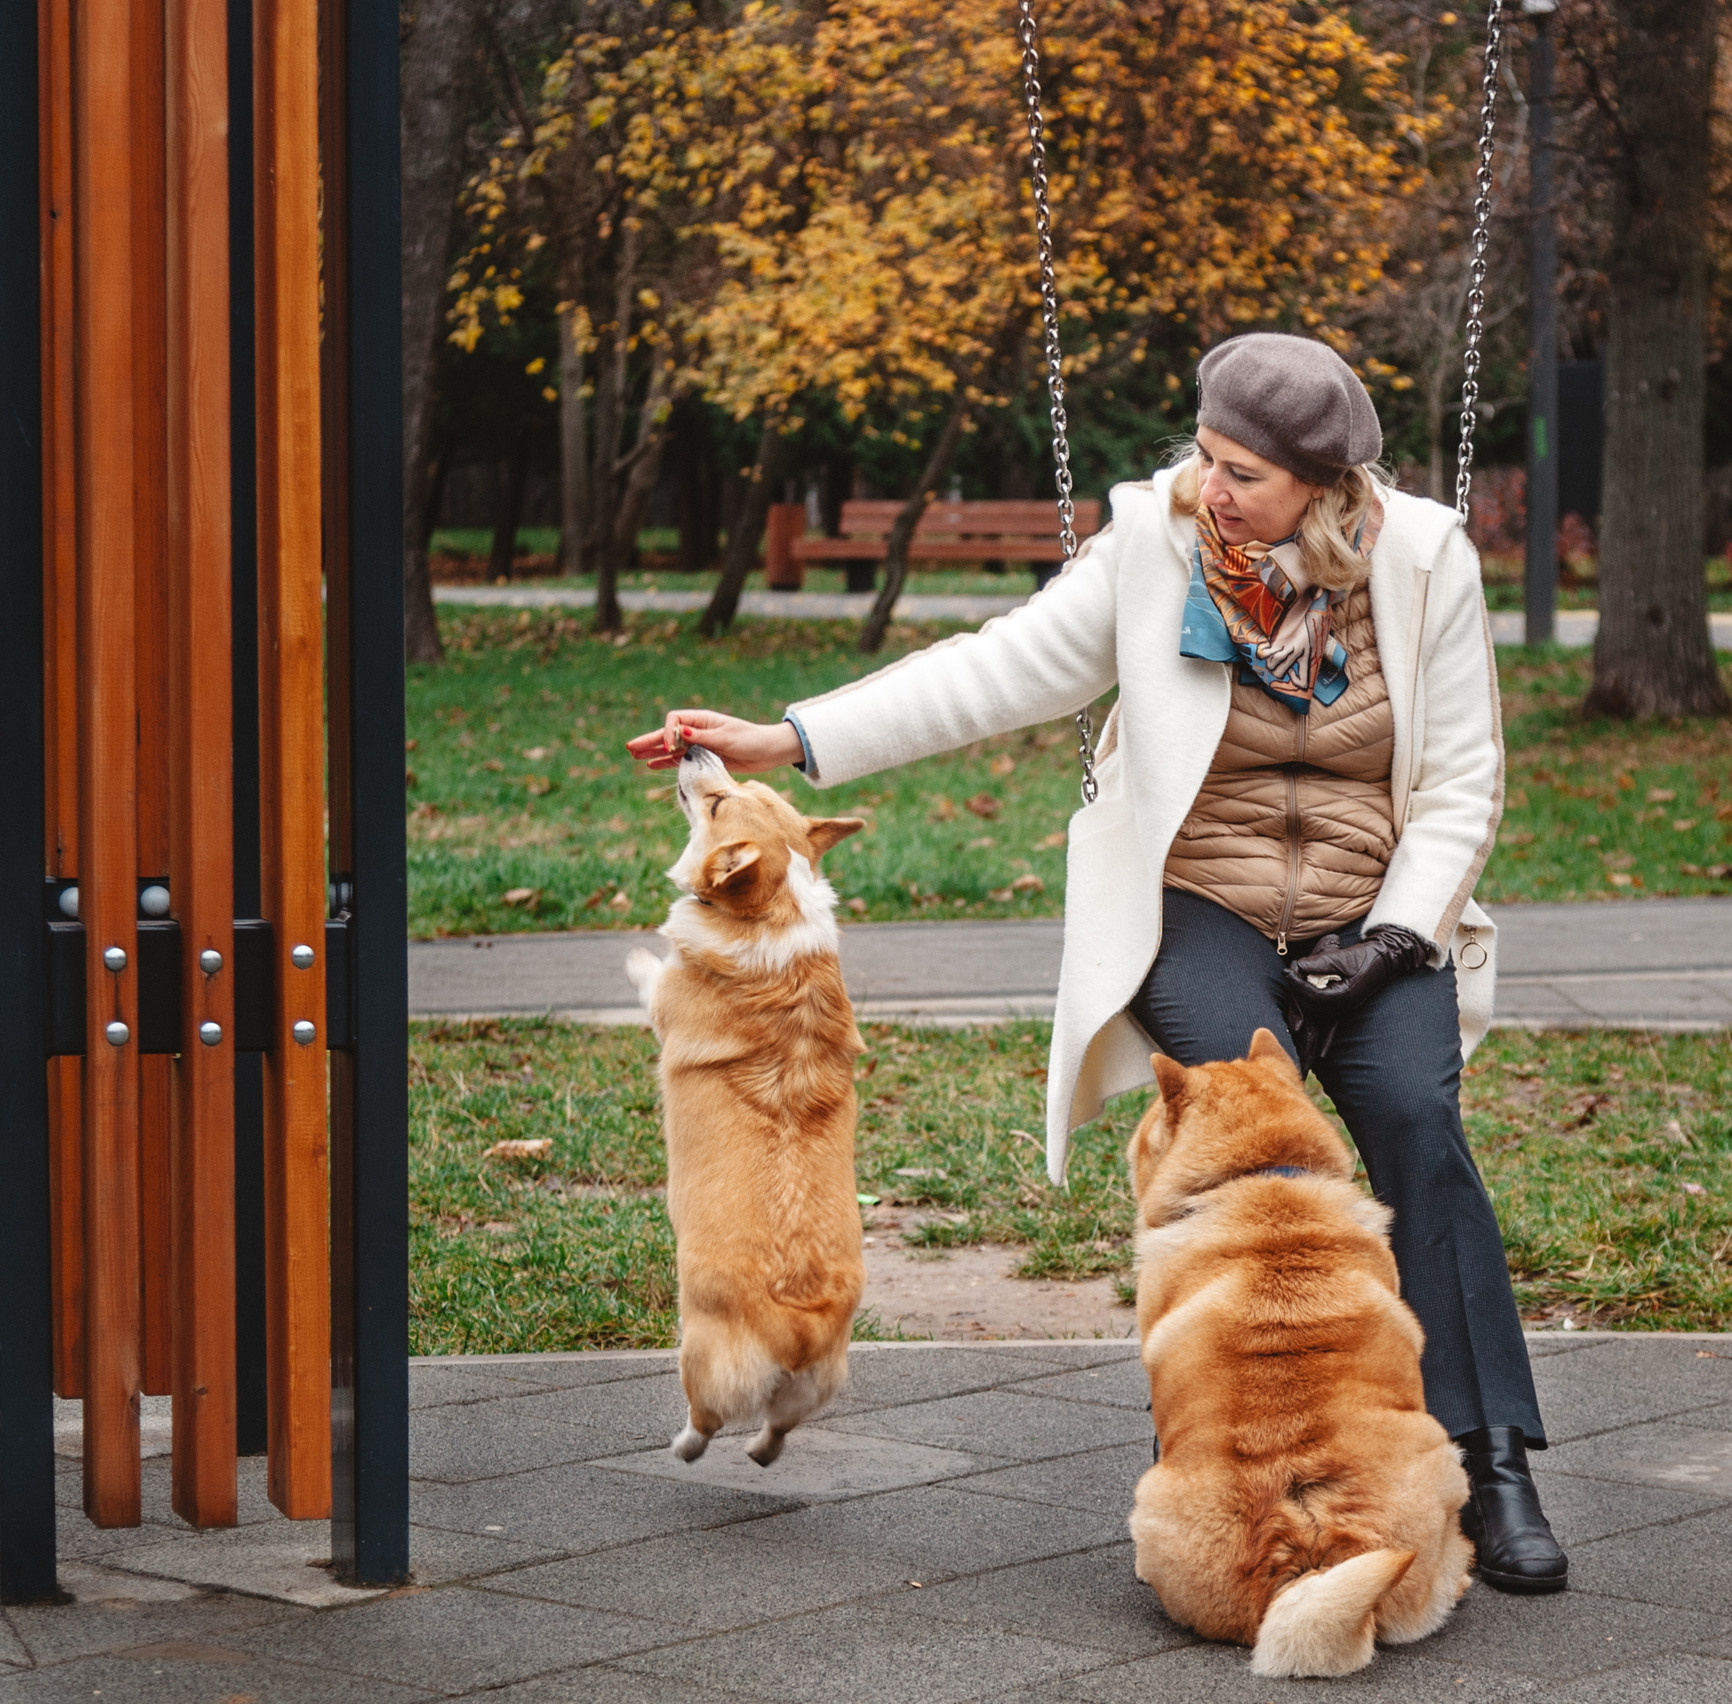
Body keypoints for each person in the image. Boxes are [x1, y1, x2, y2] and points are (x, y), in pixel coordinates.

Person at [627, 333, 1566, 1593]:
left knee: (1414, 1121)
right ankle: (1225, 1445)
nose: (1210, 488)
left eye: (1244, 475)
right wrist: (787, 739)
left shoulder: (1425, 559)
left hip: (1375, 911)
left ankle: (1489, 1460)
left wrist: (1395, 937)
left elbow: (1460, 784)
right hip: (1201, 901)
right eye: (1207, 457)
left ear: (1324, 485)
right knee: (1244, 1130)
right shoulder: (1153, 545)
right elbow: (996, 670)